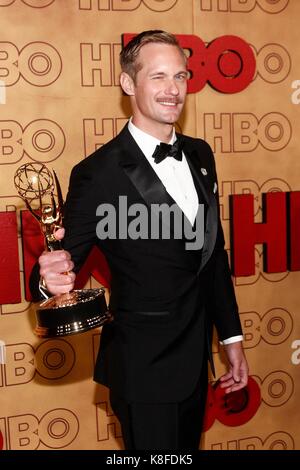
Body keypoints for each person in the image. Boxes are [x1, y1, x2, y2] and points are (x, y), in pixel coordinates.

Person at [30, 30, 248, 450]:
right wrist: (49, 280)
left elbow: (211, 256)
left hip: (197, 360)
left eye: (181, 77)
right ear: (129, 84)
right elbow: (58, 266)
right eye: (158, 77)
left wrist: (232, 340)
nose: (173, 90)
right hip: (142, 368)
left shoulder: (202, 154)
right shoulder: (98, 173)